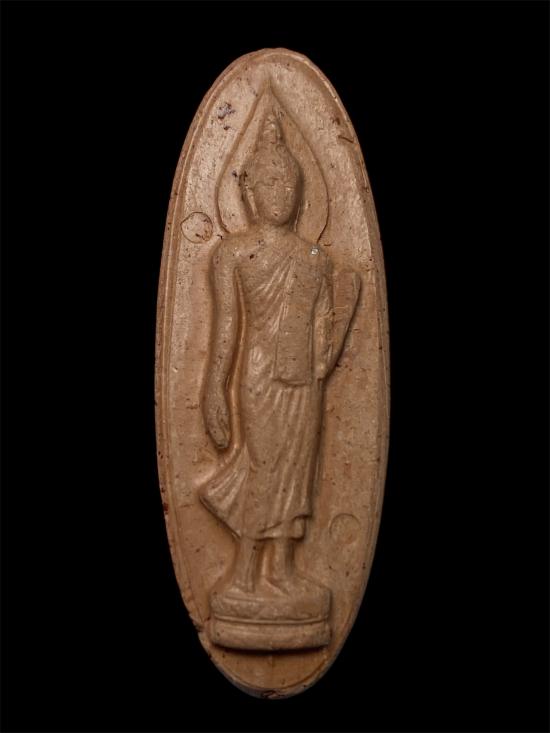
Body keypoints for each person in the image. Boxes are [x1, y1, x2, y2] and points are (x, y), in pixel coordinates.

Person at [200, 111, 360, 605]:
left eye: (288, 184)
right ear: (248, 193)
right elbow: (226, 328)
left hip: (303, 382)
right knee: (265, 467)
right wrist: (214, 389)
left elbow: (322, 338)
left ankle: (282, 571)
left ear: (301, 193)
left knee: (298, 471)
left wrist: (339, 324)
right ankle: (245, 574)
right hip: (259, 377)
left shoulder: (317, 260)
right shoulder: (232, 254)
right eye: (269, 183)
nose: (280, 193)